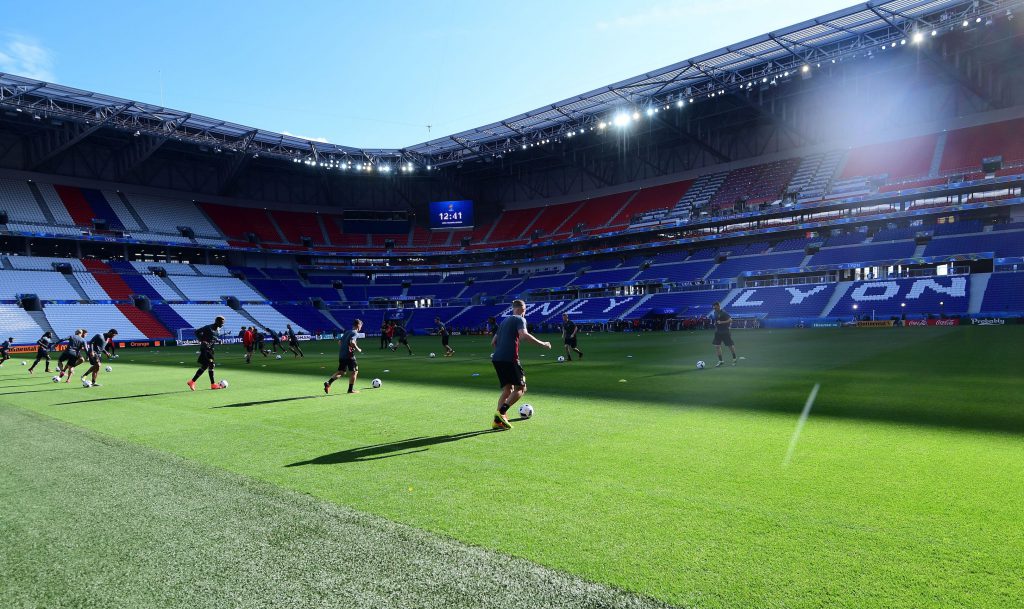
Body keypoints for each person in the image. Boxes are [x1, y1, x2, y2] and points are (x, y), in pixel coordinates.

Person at [490, 300, 551, 430]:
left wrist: (501, 351)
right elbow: (524, 336)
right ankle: (501, 413)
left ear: (513, 308)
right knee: (521, 388)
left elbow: (493, 342)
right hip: (509, 359)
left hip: (497, 359)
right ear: (523, 310)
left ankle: (498, 421)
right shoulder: (520, 319)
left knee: (507, 389)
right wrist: (543, 344)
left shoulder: (504, 322)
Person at [187, 316, 225, 391]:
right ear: (217, 322)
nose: (222, 325)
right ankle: (213, 384)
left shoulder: (218, 330)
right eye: (221, 323)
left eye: (223, 323)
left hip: (211, 350)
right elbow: (197, 332)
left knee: (205, 366)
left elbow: (213, 338)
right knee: (211, 364)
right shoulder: (208, 327)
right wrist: (202, 340)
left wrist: (218, 340)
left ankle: (192, 382)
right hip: (205, 349)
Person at [325, 319, 362, 394]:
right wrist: (358, 349)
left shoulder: (347, 332)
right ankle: (350, 389)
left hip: (342, 355)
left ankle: (328, 383)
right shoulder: (355, 333)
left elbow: (339, 342)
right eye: (361, 326)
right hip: (349, 356)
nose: (361, 327)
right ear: (358, 325)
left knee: (341, 372)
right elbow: (352, 342)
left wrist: (344, 348)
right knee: (355, 372)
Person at [710, 302, 738, 367]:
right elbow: (717, 320)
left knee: (730, 346)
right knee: (717, 346)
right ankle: (721, 361)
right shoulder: (715, 312)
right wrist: (716, 324)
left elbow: (730, 320)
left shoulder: (724, 313)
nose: (714, 309)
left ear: (719, 306)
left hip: (725, 332)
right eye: (713, 308)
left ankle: (734, 359)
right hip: (717, 332)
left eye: (715, 308)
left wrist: (722, 322)